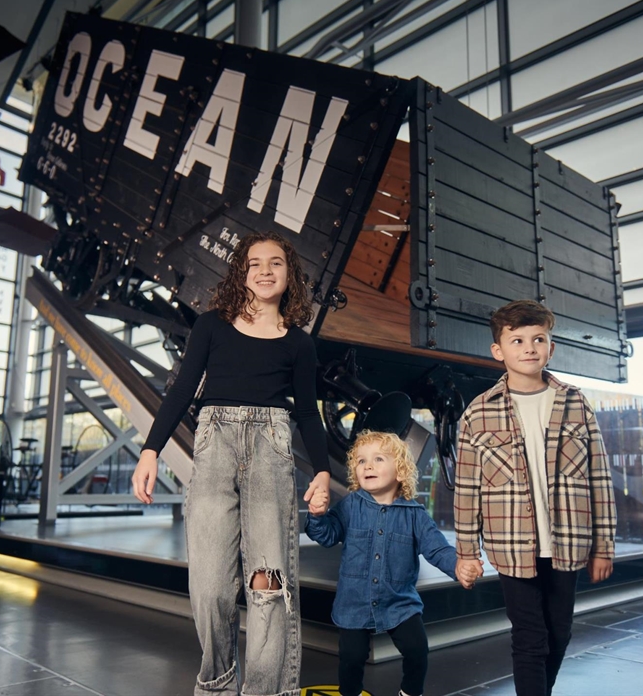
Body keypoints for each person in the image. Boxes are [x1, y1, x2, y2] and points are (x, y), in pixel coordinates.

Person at [131, 231, 332, 696]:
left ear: (290, 275)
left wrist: (321, 469)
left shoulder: (299, 343)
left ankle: (264, 691)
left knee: (268, 583)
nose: (265, 270)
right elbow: (182, 391)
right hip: (215, 447)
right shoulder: (211, 326)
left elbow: (307, 412)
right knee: (210, 587)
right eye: (255, 262)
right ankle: (217, 683)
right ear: (241, 272)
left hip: (271, 452)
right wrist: (150, 450)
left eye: (276, 263)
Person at [453, 299, 617, 696]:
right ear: (499, 351)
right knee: (529, 636)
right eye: (518, 340)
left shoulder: (576, 403)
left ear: (551, 347)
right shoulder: (478, 412)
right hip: (511, 547)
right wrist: (465, 551)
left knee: (559, 632)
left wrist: (604, 547)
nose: (529, 348)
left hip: (568, 543)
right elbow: (467, 488)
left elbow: (599, 476)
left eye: (538, 339)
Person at [306, 430, 480, 696]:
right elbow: (327, 535)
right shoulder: (351, 505)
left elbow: (437, 549)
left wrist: (458, 566)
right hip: (354, 603)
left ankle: (409, 692)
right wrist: (317, 516)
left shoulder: (415, 515)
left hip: (399, 603)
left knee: (417, 650)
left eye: (378, 459)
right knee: (351, 658)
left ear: (399, 472)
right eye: (361, 461)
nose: (368, 466)